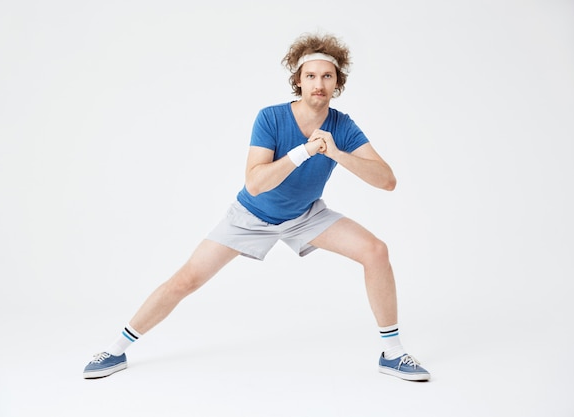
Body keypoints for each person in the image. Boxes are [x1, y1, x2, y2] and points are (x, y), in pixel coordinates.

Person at [83, 32, 430, 382]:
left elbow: (387, 180)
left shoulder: (342, 126)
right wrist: (304, 152)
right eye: (310, 76)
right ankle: (116, 349)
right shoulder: (271, 118)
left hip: (305, 216)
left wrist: (337, 152)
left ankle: (393, 353)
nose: (318, 84)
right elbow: (255, 182)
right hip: (250, 216)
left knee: (376, 251)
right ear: (298, 80)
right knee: (186, 280)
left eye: (327, 76)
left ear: (338, 82)